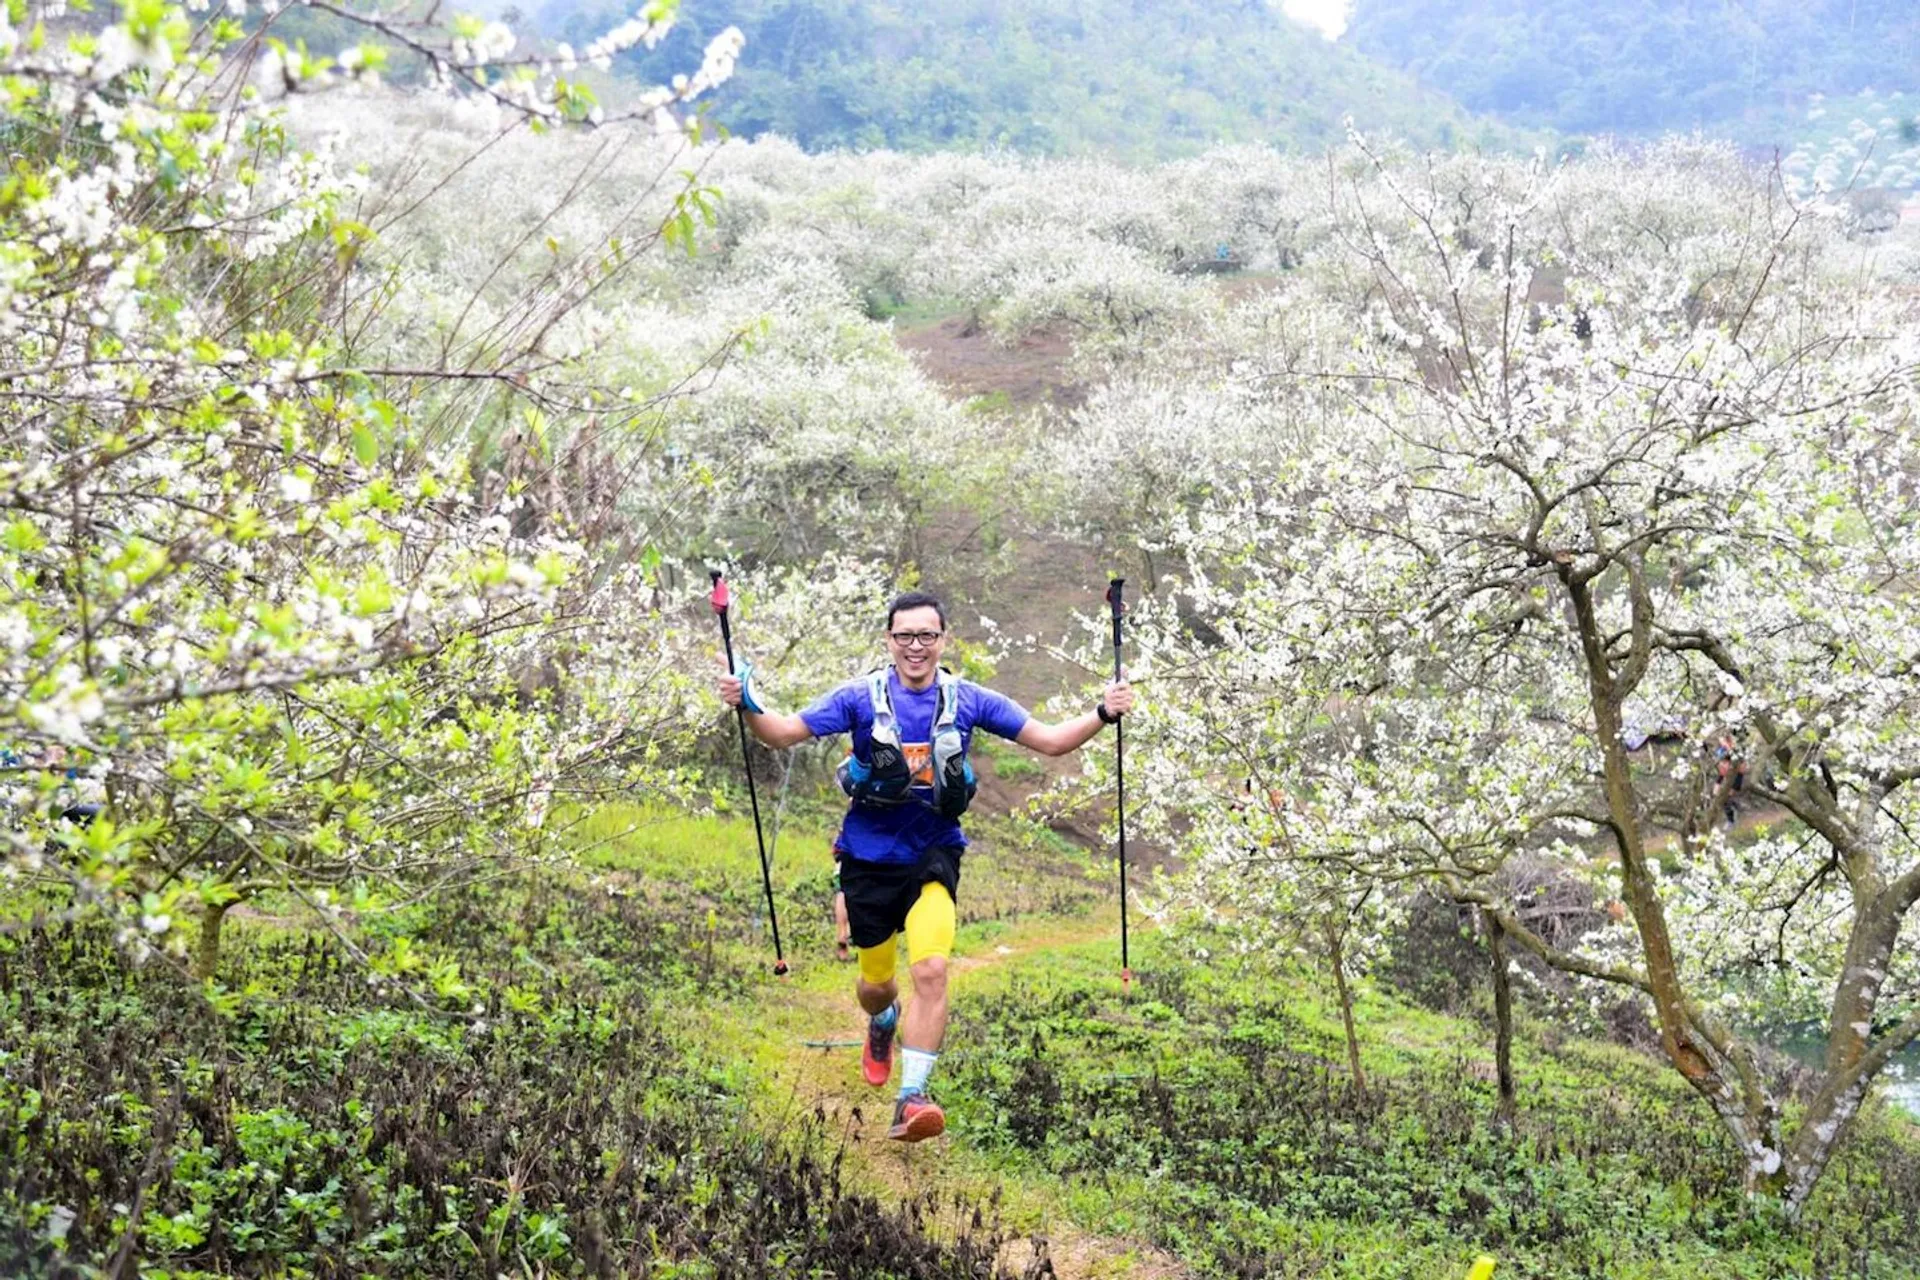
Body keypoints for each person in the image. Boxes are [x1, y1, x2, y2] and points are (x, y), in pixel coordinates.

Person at [716, 589, 1134, 1143]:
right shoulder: (858, 698)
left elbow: (1052, 742)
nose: (916, 646)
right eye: (905, 636)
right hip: (867, 857)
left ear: (943, 640)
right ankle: (883, 1020)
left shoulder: (970, 700)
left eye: (927, 636)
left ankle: (912, 1098)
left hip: (935, 852)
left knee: (932, 970)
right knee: (876, 985)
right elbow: (780, 734)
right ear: (889, 641)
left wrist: (1104, 712)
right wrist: (745, 702)